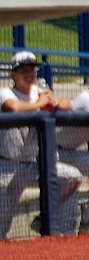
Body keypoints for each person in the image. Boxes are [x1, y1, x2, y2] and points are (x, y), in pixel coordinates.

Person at [0, 50, 82, 240]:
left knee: (72, 177)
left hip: (34, 165)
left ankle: (45, 218)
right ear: (13, 74)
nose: (30, 74)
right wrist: (39, 103)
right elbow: (13, 108)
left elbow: (68, 105)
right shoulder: (5, 93)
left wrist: (54, 101)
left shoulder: (38, 89)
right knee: (0, 230)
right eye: (24, 70)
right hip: (8, 166)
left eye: (32, 69)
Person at [56, 86, 89, 231]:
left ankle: (86, 223)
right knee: (67, 221)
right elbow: (65, 105)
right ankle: (45, 215)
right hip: (51, 150)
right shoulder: (85, 99)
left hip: (70, 152)